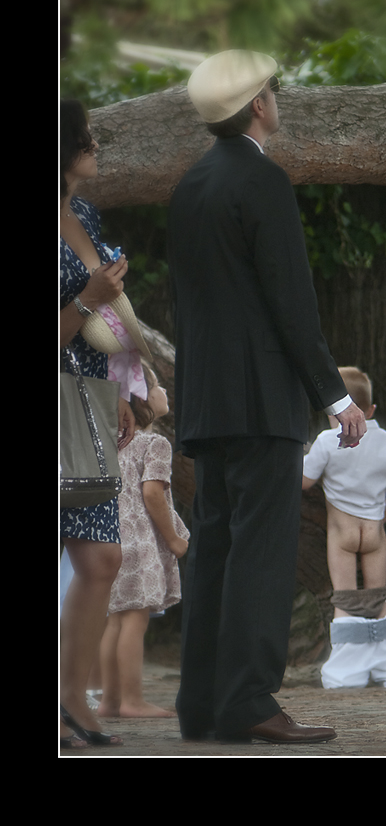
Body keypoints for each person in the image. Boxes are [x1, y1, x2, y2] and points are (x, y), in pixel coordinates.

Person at [167, 49, 367, 744]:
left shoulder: (189, 185)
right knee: (258, 551)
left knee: (215, 547)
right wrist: (336, 397)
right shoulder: (263, 182)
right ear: (257, 103)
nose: (278, 100)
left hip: (204, 402)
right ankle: (249, 698)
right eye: (274, 92)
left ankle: (202, 702)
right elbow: (291, 302)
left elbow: (190, 304)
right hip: (259, 403)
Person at [60, 98, 134, 748]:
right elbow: (84, 307)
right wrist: (89, 296)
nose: (96, 141)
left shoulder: (83, 213)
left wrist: (127, 388)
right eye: (83, 135)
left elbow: (102, 321)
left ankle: (70, 696)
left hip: (84, 399)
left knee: (102, 557)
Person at [302, 366, 386, 689]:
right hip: (375, 535)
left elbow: (305, 482)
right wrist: (381, 518)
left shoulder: (327, 441)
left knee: (346, 602)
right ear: (372, 409)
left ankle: (345, 675)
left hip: (343, 536)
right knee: (378, 601)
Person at [98, 364, 189, 719]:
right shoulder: (155, 443)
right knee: (135, 622)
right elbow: (152, 494)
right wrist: (174, 539)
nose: (164, 391)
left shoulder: (108, 442)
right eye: (157, 386)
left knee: (115, 622)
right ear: (139, 398)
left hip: (109, 537)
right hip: (138, 542)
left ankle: (110, 700)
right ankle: (133, 701)